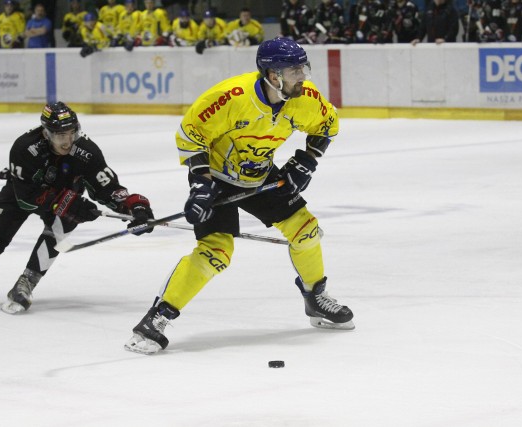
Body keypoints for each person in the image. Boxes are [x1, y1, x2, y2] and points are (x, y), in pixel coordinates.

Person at [124, 37, 354, 355]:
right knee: (215, 253)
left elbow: (327, 123)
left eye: (303, 68)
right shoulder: (231, 97)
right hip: (218, 178)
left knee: (307, 230)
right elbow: (191, 135)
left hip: (260, 174)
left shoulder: (304, 98)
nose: (302, 77)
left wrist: (307, 161)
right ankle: (157, 317)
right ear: (272, 75)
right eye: (294, 71)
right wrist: (200, 186)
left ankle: (315, 297)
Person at [0, 102, 154, 314]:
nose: (67, 141)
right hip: (19, 194)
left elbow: (108, 187)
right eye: (60, 135)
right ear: (46, 134)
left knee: (61, 226)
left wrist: (133, 207)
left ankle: (26, 282)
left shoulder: (86, 151)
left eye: (72, 133)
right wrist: (69, 203)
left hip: (63, 201)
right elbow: (26, 199)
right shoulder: (24, 148)